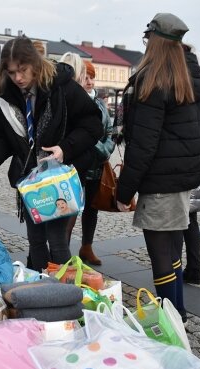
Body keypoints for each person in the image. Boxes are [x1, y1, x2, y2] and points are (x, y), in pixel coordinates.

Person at [0, 36, 102, 271]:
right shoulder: (5, 95)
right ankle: (37, 291)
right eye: (12, 71)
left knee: (57, 240)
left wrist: (65, 148)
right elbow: (2, 137)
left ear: (35, 64)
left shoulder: (61, 86)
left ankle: (63, 294)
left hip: (57, 179)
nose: (18, 78)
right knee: (35, 240)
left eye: (23, 70)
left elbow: (93, 124)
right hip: (29, 180)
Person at [116, 13, 200, 321]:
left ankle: (173, 318)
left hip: (160, 179)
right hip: (181, 178)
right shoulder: (187, 75)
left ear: (153, 41)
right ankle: (177, 312)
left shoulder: (154, 80)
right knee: (171, 252)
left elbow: (144, 145)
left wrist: (124, 189)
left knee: (161, 255)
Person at [77, 60, 115, 266]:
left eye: (91, 77)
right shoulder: (76, 101)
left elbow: (109, 132)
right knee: (72, 208)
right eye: (85, 77)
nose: (89, 81)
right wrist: (100, 149)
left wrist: (106, 149)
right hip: (79, 164)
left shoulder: (101, 104)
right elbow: (85, 136)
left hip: (97, 166)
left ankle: (87, 246)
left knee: (92, 208)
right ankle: (61, 250)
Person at [182, 47, 200, 285]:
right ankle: (195, 268)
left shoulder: (188, 91)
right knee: (191, 218)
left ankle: (181, 268)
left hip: (184, 161)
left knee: (181, 218)